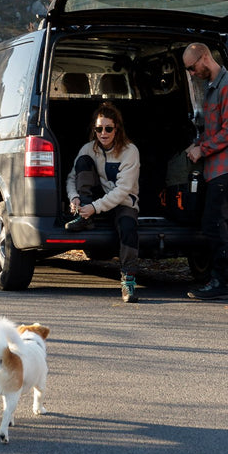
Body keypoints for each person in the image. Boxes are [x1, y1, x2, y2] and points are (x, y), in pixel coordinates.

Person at [182, 42, 228, 300]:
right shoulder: (213, 87)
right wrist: (198, 144)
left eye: (192, 67)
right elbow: (216, 130)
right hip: (217, 168)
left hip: (227, 168)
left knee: (213, 224)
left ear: (204, 57)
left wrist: (203, 150)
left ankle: (221, 282)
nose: (191, 73)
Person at [64, 102, 141, 303]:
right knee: (82, 163)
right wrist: (75, 198)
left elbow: (123, 190)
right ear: (94, 130)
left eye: (108, 128)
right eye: (99, 129)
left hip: (122, 203)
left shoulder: (130, 151)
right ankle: (82, 218)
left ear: (117, 129)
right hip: (95, 203)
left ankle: (128, 280)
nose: (103, 133)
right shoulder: (88, 149)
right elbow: (72, 177)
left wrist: (95, 207)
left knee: (128, 226)